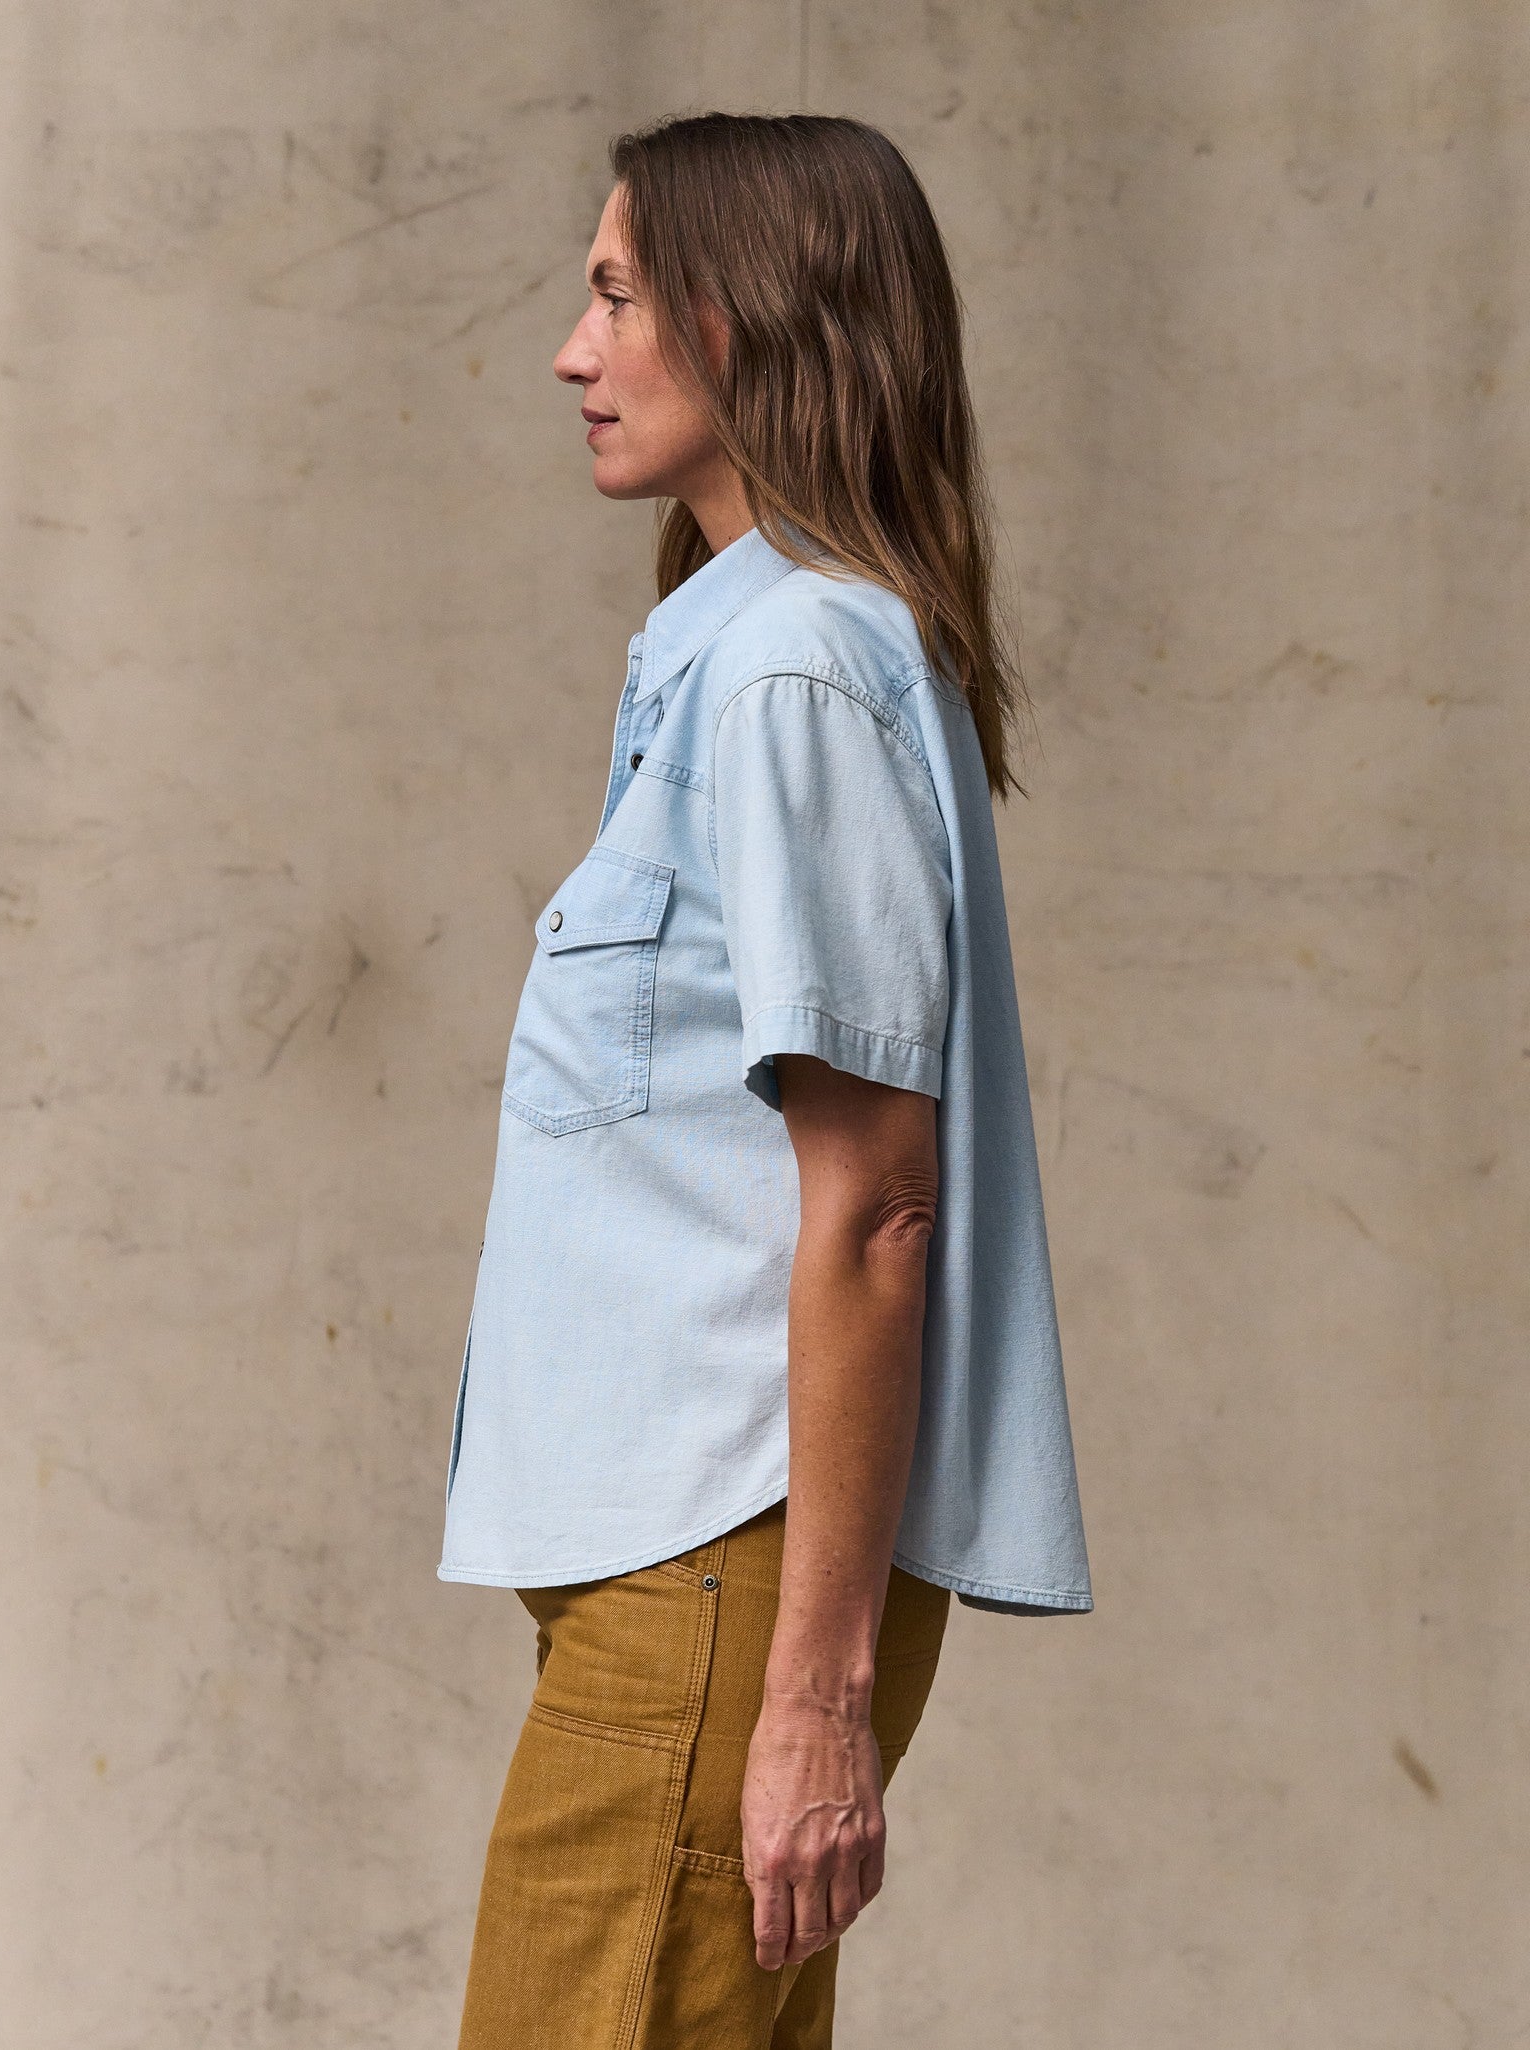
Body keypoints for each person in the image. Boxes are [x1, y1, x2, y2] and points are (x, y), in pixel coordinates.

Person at [438, 111, 1092, 2050]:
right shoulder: (744, 658)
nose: (572, 348)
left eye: (616, 296)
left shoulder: (794, 671)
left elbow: (880, 1203)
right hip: (686, 1566)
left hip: (720, 1567)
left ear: (740, 322)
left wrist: (812, 1698)